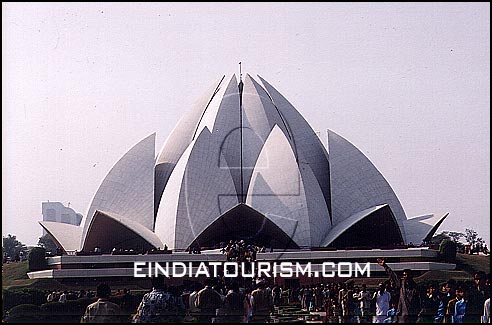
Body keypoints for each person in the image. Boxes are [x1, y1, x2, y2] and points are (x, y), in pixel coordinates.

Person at [377, 258, 421, 323]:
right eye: (404, 275)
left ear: (411, 276)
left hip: (412, 315)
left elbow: (419, 302)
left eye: (407, 275)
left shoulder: (416, 288)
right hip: (402, 315)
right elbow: (393, 275)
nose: (405, 277)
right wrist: (385, 266)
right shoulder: (401, 284)